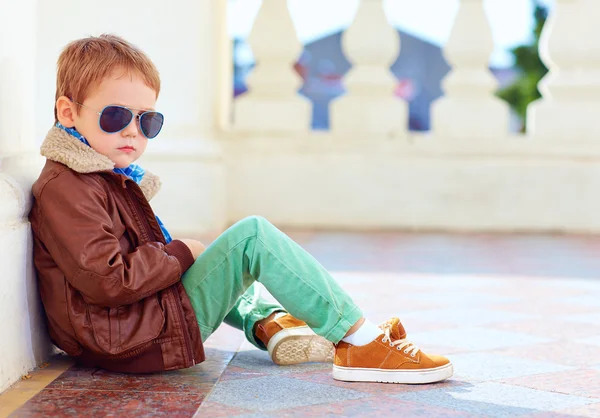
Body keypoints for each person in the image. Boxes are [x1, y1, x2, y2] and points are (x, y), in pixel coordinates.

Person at [29, 34, 453, 384]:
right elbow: (108, 281)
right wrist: (179, 253)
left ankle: (269, 322)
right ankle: (361, 343)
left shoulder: (94, 176)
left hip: (127, 328)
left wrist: (181, 255)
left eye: (148, 121)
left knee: (219, 255)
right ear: (68, 112)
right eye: (116, 115)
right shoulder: (69, 187)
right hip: (126, 338)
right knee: (250, 237)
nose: (133, 131)